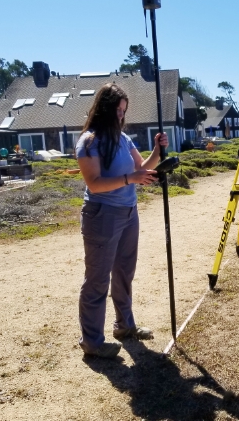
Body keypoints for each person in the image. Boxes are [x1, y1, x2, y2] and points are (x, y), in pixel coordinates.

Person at [76, 83, 168, 359]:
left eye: (124, 111)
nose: (120, 115)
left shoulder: (124, 139)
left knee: (125, 273)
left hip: (129, 213)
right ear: (104, 109)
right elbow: (94, 184)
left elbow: (142, 168)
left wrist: (157, 151)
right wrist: (131, 179)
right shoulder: (89, 141)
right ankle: (92, 342)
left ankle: (125, 326)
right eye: (117, 110)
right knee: (97, 279)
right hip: (102, 215)